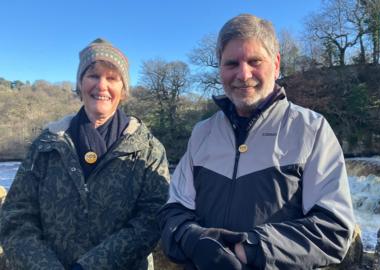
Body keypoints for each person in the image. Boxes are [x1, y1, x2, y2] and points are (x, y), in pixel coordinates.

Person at [159, 14, 355, 270]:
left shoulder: (310, 129)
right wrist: (195, 241)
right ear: (219, 67)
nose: (243, 74)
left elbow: (334, 229)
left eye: (255, 61)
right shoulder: (202, 133)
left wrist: (250, 248)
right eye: (231, 63)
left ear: (276, 64)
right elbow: (174, 212)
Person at [0, 38, 170, 270]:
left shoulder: (149, 149)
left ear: (123, 89)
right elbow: (15, 218)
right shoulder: (45, 145)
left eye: (112, 78)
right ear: (80, 84)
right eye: (93, 75)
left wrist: (89, 267)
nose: (102, 85)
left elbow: (151, 220)